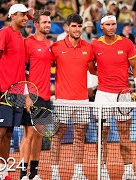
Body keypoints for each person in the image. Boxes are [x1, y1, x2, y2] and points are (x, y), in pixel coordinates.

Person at [91, 14, 136, 180]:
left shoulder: (126, 43)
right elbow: (91, 67)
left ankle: (128, 170)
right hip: (103, 96)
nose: (112, 27)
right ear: (102, 27)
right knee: (102, 134)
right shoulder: (94, 44)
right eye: (108, 24)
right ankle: (102, 169)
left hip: (123, 95)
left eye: (114, 24)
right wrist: (105, 76)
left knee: (124, 134)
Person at [0, 4, 33, 180]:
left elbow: (21, 70)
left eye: (27, 15)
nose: (26, 18)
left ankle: (3, 173)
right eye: (23, 15)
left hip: (18, 93)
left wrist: (26, 94)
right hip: (4, 91)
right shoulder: (4, 33)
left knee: (8, 133)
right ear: (13, 16)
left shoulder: (21, 37)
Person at [50, 13, 95, 180]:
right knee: (57, 136)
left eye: (79, 26)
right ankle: (55, 172)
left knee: (79, 137)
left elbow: (94, 70)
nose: (77, 29)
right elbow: (43, 66)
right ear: (66, 28)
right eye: (74, 26)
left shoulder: (88, 48)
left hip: (82, 100)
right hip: (62, 100)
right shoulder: (56, 47)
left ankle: (78, 172)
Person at [19, 10, 54, 180]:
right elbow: (21, 72)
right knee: (29, 134)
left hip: (46, 96)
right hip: (31, 96)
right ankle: (22, 174)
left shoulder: (50, 45)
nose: (47, 25)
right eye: (44, 22)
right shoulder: (27, 43)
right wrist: (25, 95)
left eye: (49, 22)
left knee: (39, 134)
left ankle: (34, 173)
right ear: (36, 24)